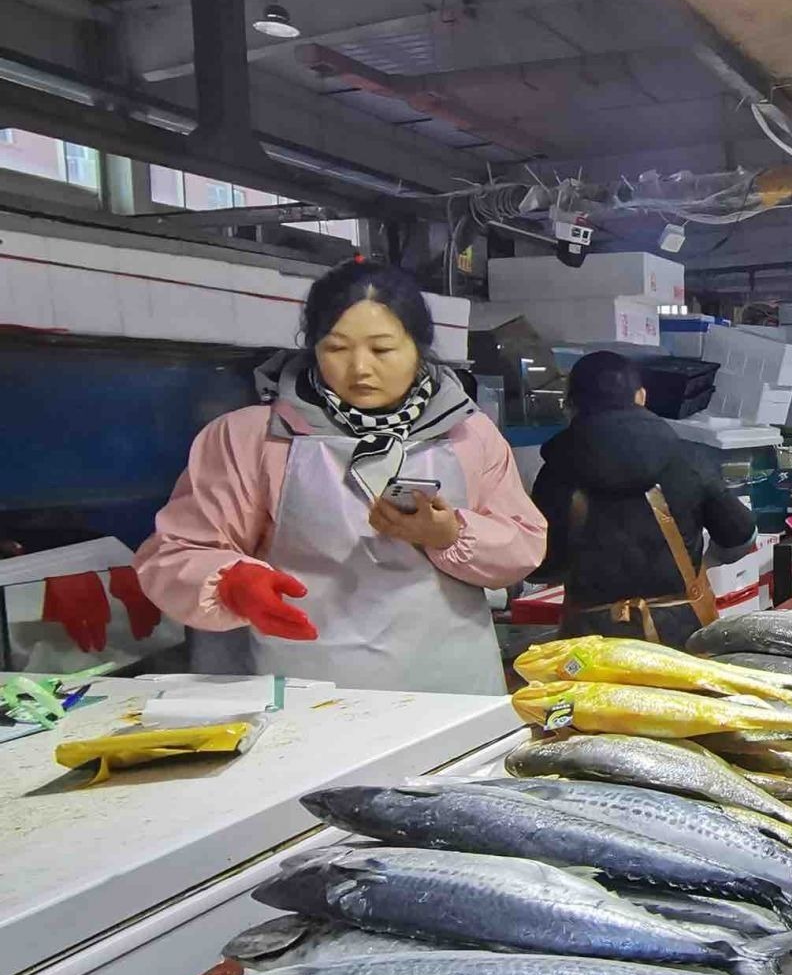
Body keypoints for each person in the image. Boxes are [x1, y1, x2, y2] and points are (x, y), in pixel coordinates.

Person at [135, 262, 543, 695]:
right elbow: (178, 551)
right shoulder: (249, 437)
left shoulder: (468, 433)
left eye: (382, 350)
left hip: (450, 687)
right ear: (313, 348)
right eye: (336, 349)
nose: (360, 369)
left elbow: (524, 544)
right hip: (305, 692)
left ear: (419, 348)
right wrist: (232, 581)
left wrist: (450, 534)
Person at [531, 352, 756, 649]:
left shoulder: (555, 472)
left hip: (590, 643)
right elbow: (739, 535)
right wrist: (696, 564)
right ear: (641, 396)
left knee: (596, 698)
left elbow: (541, 564)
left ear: (572, 404)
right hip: (681, 636)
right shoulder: (687, 458)